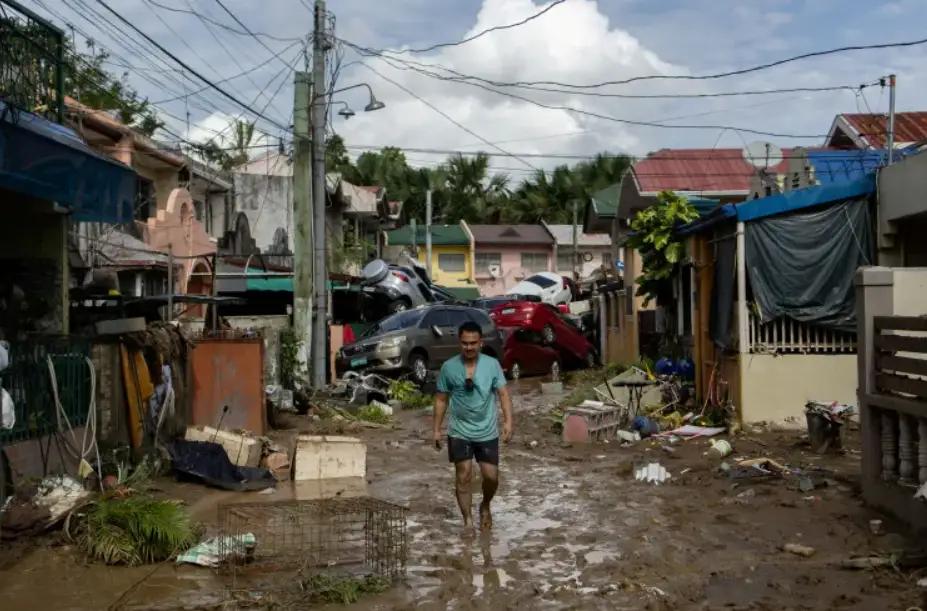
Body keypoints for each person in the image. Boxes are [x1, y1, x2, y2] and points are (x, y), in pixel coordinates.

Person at [433, 320, 514, 530]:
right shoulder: (449, 368)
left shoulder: (492, 365)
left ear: (481, 343)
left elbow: (503, 394)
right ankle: (468, 521)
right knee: (464, 474)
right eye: (464, 343)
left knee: (491, 477)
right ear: (459, 342)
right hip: (459, 430)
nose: (469, 347)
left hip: (487, 430)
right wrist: (436, 429)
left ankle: (485, 505)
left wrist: (508, 422)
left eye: (473, 343)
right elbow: (441, 399)